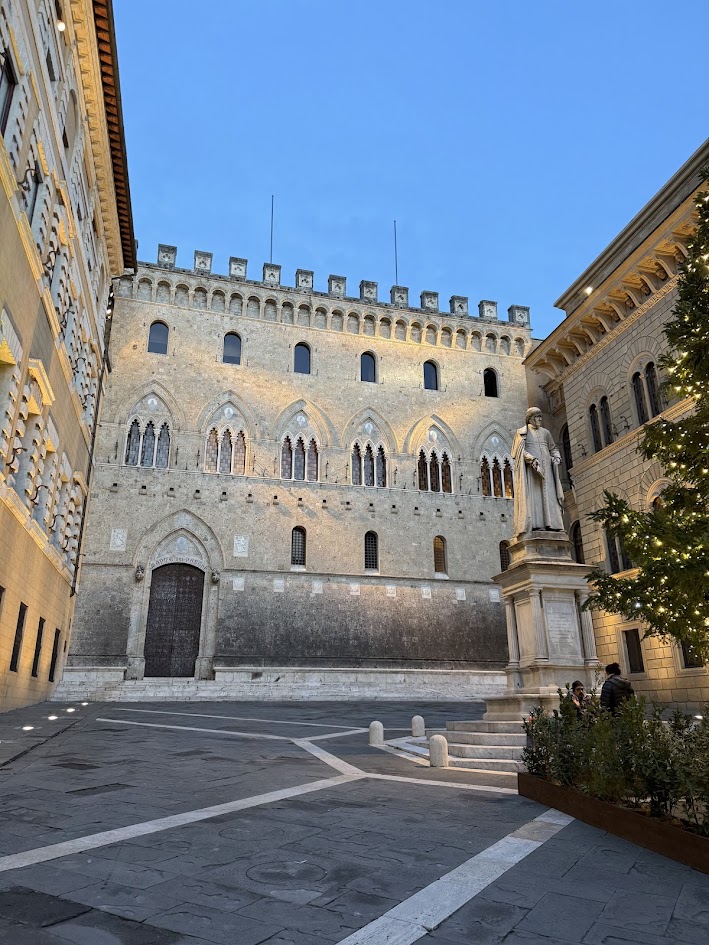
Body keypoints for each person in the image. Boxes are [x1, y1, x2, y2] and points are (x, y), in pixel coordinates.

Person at [512, 407, 565, 537]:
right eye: (537, 417)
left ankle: (554, 525)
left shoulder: (546, 433)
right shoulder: (522, 433)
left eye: (541, 416)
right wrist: (531, 459)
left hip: (547, 472)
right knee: (535, 498)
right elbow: (519, 453)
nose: (540, 419)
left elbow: (553, 448)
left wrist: (556, 457)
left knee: (549, 497)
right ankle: (537, 525)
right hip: (532, 473)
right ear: (530, 418)